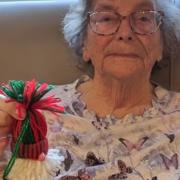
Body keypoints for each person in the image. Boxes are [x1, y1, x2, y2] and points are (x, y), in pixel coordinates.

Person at [1, 0, 180, 179]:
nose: (125, 33)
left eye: (143, 18)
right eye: (106, 18)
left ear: (161, 46)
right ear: (84, 42)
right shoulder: (31, 111)